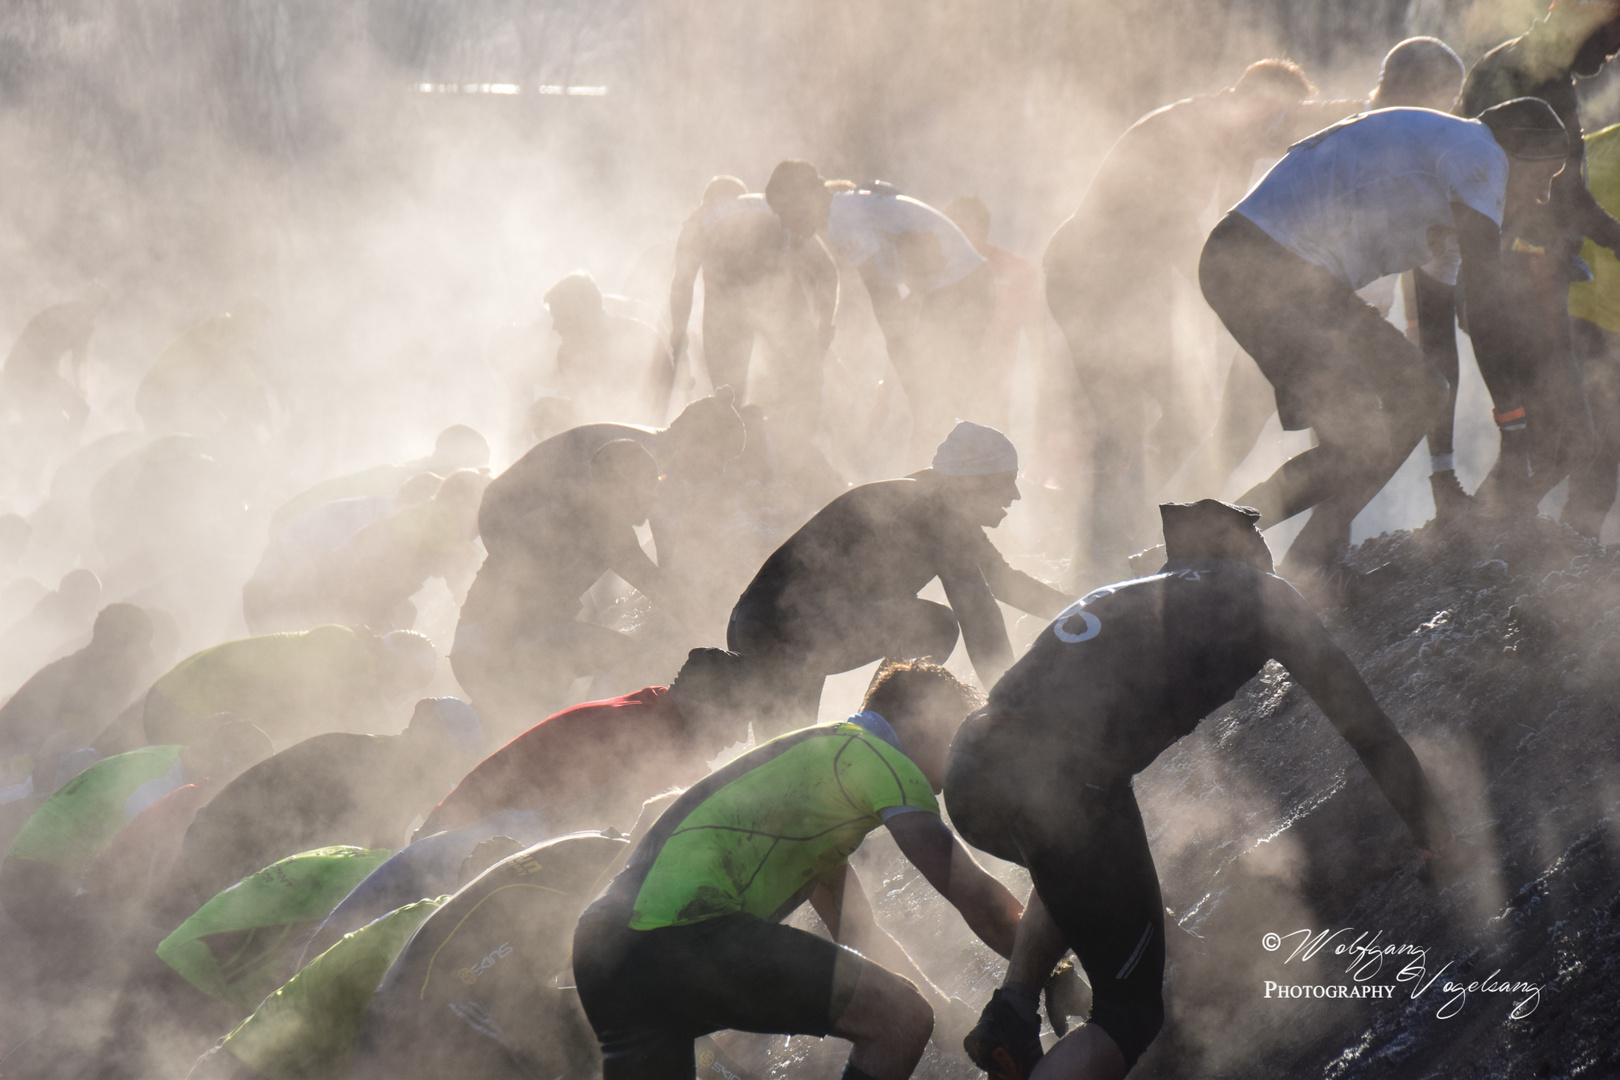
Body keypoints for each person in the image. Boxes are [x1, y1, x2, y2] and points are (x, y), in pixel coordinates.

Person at [947, 500, 1459, 1080]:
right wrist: (1435, 834)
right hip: (1060, 786)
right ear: (1247, 556)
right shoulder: (1267, 594)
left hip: (971, 767)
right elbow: (1369, 731)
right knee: (1130, 1014)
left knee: (1069, 868)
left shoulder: (1138, 589)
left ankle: (1011, 1012)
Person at [572, 661, 1027, 1080]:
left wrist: (951, 1017)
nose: (952, 772)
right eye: (953, 743)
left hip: (605, 952)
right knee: (900, 1018)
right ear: (924, 723)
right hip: (677, 931)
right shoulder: (875, 756)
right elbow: (973, 897)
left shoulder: (818, 772)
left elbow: (857, 933)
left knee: (903, 1013)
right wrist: (1054, 973)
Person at [1198, 99, 1569, 594]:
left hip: (1266, 265)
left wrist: (1442, 471)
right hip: (1266, 263)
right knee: (1368, 433)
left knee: (1405, 404)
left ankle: (1295, 558)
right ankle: (1226, 548)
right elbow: (1487, 305)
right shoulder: (1480, 153)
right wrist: (1516, 426)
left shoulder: (1457, 194)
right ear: (1515, 154)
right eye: (1544, 177)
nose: (1544, 197)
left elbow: (1437, 344)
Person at [1042, 59, 1325, 586]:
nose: (1284, 137)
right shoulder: (1190, 130)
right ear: (1260, 106)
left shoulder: (1231, 137)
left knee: (1170, 418)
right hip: (1093, 277)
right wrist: (1231, 303)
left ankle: (1127, 535)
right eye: (1283, 120)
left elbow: (1231, 225)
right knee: (1124, 417)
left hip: (1128, 284)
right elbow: (1177, 233)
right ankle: (1101, 550)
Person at [1177, 40, 1471, 521]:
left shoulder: (1431, 161)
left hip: (1343, 314)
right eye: (1447, 95)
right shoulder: (1340, 122)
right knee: (1246, 436)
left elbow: (1432, 320)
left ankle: (1288, 552)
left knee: (1337, 443)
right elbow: (1248, 138)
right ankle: (1188, 533)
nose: (1449, 108)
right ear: (1420, 89)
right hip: (1289, 298)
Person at [729, 421, 1068, 729]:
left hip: (763, 622)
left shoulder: (928, 500)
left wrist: (1095, 606)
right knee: (935, 625)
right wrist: (1008, 703)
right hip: (789, 626)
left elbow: (1002, 582)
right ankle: (874, 731)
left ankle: (866, 734)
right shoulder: (933, 511)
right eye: (1006, 481)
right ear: (972, 483)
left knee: (788, 753)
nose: (1015, 494)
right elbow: (978, 614)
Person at [457, 395, 744, 734]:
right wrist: (719, 631)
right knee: (617, 654)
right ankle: (589, 730)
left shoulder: (609, 503)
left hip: (485, 641)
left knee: (574, 643)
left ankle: (554, 713)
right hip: (491, 637)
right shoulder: (612, 501)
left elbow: (658, 570)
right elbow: (655, 578)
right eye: (723, 457)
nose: (721, 470)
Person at [1452, 2, 1620, 520]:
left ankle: (1491, 544)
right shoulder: (1535, 73)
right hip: (1521, 277)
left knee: (1557, 438)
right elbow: (1566, 200)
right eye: (1614, 33)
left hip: (1514, 274)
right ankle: (1481, 544)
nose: (1614, 51)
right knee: (1572, 437)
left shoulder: (1520, 65)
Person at [352, 831, 630, 1080]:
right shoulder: (607, 870)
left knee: (579, 1033)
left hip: (449, 996)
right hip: (427, 1009)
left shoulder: (596, 853)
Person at [765, 162, 992, 466]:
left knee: (934, 398)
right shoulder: (846, 207)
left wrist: (899, 351)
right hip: (959, 283)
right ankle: (933, 472)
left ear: (805, 197)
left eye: (785, 212)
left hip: (960, 286)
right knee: (931, 399)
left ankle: (943, 476)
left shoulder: (842, 217)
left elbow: (880, 290)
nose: (785, 224)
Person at [172, 697, 483, 907]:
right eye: (447, 761)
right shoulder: (381, 777)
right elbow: (380, 864)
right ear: (428, 745)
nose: (445, 776)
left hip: (215, 846)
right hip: (224, 862)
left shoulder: (369, 754)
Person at [419, 648, 756, 838]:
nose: (740, 736)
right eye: (738, 720)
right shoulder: (643, 734)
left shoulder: (655, 712)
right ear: (707, 705)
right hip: (458, 843)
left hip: (468, 833)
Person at [668, 176, 832, 424]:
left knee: (728, 400)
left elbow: (682, 285)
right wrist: (825, 325)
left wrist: (678, 341)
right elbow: (826, 270)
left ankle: (733, 444)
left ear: (706, 203)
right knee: (802, 392)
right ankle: (800, 442)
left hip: (727, 305)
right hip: (780, 300)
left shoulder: (699, 221)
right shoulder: (773, 207)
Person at [244, 469, 486, 633]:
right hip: (280, 601)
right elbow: (343, 595)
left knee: (404, 617)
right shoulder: (412, 533)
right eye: (475, 524)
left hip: (295, 592)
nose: (473, 534)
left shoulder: (421, 522)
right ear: (458, 506)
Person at [143, 625, 437, 748]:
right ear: (394, 662)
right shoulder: (345, 648)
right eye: (405, 681)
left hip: (175, 701)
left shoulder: (347, 655)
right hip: (180, 708)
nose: (398, 691)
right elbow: (367, 721)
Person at [268, 423, 491, 539]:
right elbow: (328, 495)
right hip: (292, 540)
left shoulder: (407, 479)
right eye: (471, 466)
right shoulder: (398, 481)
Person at [943, 197, 1048, 437]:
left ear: (981, 230)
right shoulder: (940, 268)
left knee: (992, 449)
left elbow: (1037, 333)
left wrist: (1043, 387)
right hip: (944, 380)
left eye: (960, 228)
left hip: (996, 382)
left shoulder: (1017, 270)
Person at [1565, 118, 1620, 538]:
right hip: (1605, 324)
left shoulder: (1592, 146)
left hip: (1564, 310)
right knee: (1602, 447)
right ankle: (1574, 552)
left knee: (1584, 442)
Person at [0, 283, 110, 491]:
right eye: (91, 303)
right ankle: (32, 476)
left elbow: (79, 358)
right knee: (49, 423)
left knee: (78, 412)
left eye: (96, 306)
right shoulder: (65, 315)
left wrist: (81, 389)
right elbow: (32, 344)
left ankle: (64, 456)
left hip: (36, 374)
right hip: (26, 373)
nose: (92, 310)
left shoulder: (83, 321)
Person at [543, 271, 676, 428]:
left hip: (650, 436)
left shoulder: (640, 339)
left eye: (564, 318)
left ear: (587, 311)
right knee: (542, 411)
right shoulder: (567, 355)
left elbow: (670, 399)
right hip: (598, 436)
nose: (555, 327)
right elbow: (583, 412)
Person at [135, 299, 277, 441]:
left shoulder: (225, 329)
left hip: (165, 396)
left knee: (215, 426)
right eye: (260, 321)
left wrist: (273, 385)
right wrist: (258, 396)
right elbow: (238, 363)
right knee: (214, 434)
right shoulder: (223, 329)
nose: (261, 328)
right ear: (247, 317)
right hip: (163, 396)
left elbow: (247, 357)